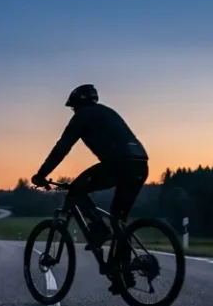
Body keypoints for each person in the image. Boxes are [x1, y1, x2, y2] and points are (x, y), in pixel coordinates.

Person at [32, 84, 150, 291]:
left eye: (73, 107)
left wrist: (41, 175)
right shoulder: (107, 112)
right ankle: (123, 274)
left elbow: (62, 147)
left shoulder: (82, 116)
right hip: (140, 164)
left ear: (79, 104)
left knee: (75, 190)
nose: (73, 111)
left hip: (118, 164)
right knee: (119, 220)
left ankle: (99, 230)